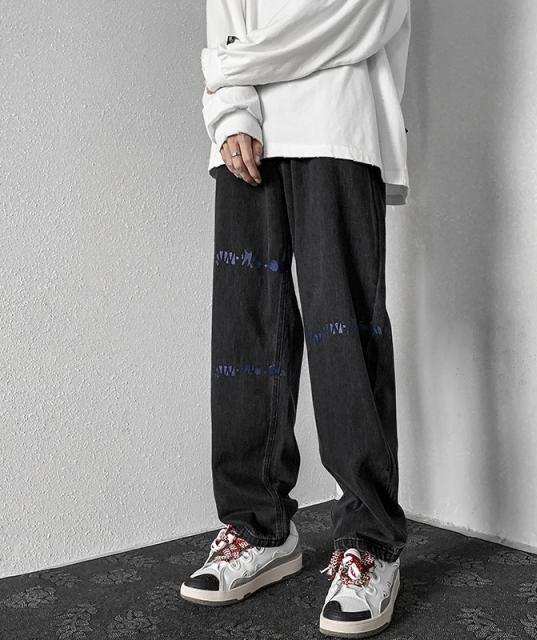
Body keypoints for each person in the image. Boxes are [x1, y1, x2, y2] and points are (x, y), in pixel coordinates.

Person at [180, 1, 412, 637]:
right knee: (244, 338)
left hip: (339, 121)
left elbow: (367, 14)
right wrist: (231, 111)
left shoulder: (239, 65)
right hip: (248, 129)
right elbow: (225, 12)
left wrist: (230, 68)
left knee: (346, 340)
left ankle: (370, 541)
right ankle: (258, 528)